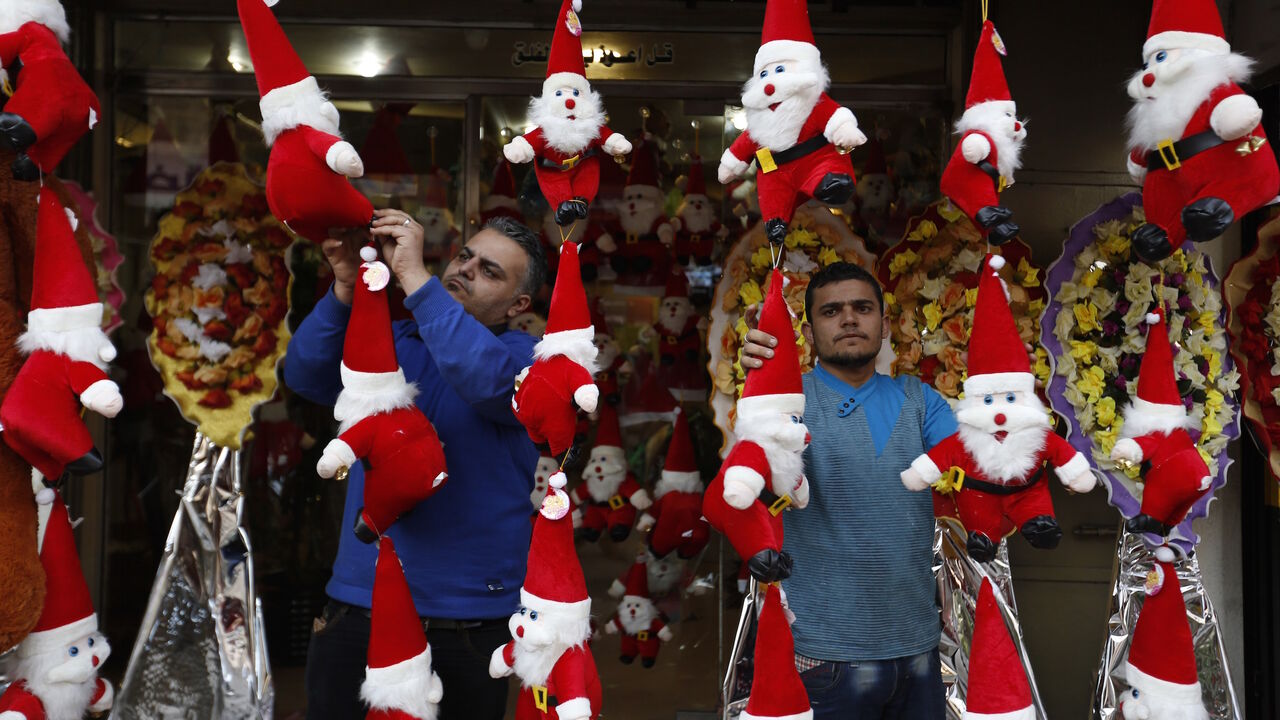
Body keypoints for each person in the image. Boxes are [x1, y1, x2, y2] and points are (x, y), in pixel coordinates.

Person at [285, 211, 546, 720]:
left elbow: (488, 381)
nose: (466, 269)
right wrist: (344, 289)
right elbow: (305, 374)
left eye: (489, 271)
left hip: (465, 624)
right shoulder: (396, 340)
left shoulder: (530, 360)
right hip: (358, 605)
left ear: (518, 305)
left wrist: (412, 277)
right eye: (465, 256)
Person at [741, 262, 956, 718]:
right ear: (808, 331)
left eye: (862, 308)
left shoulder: (921, 401)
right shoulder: (787, 405)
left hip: (918, 648)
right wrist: (761, 385)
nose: (849, 319)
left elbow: (978, 464)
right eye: (831, 311)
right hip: (825, 654)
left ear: (884, 322)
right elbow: (743, 488)